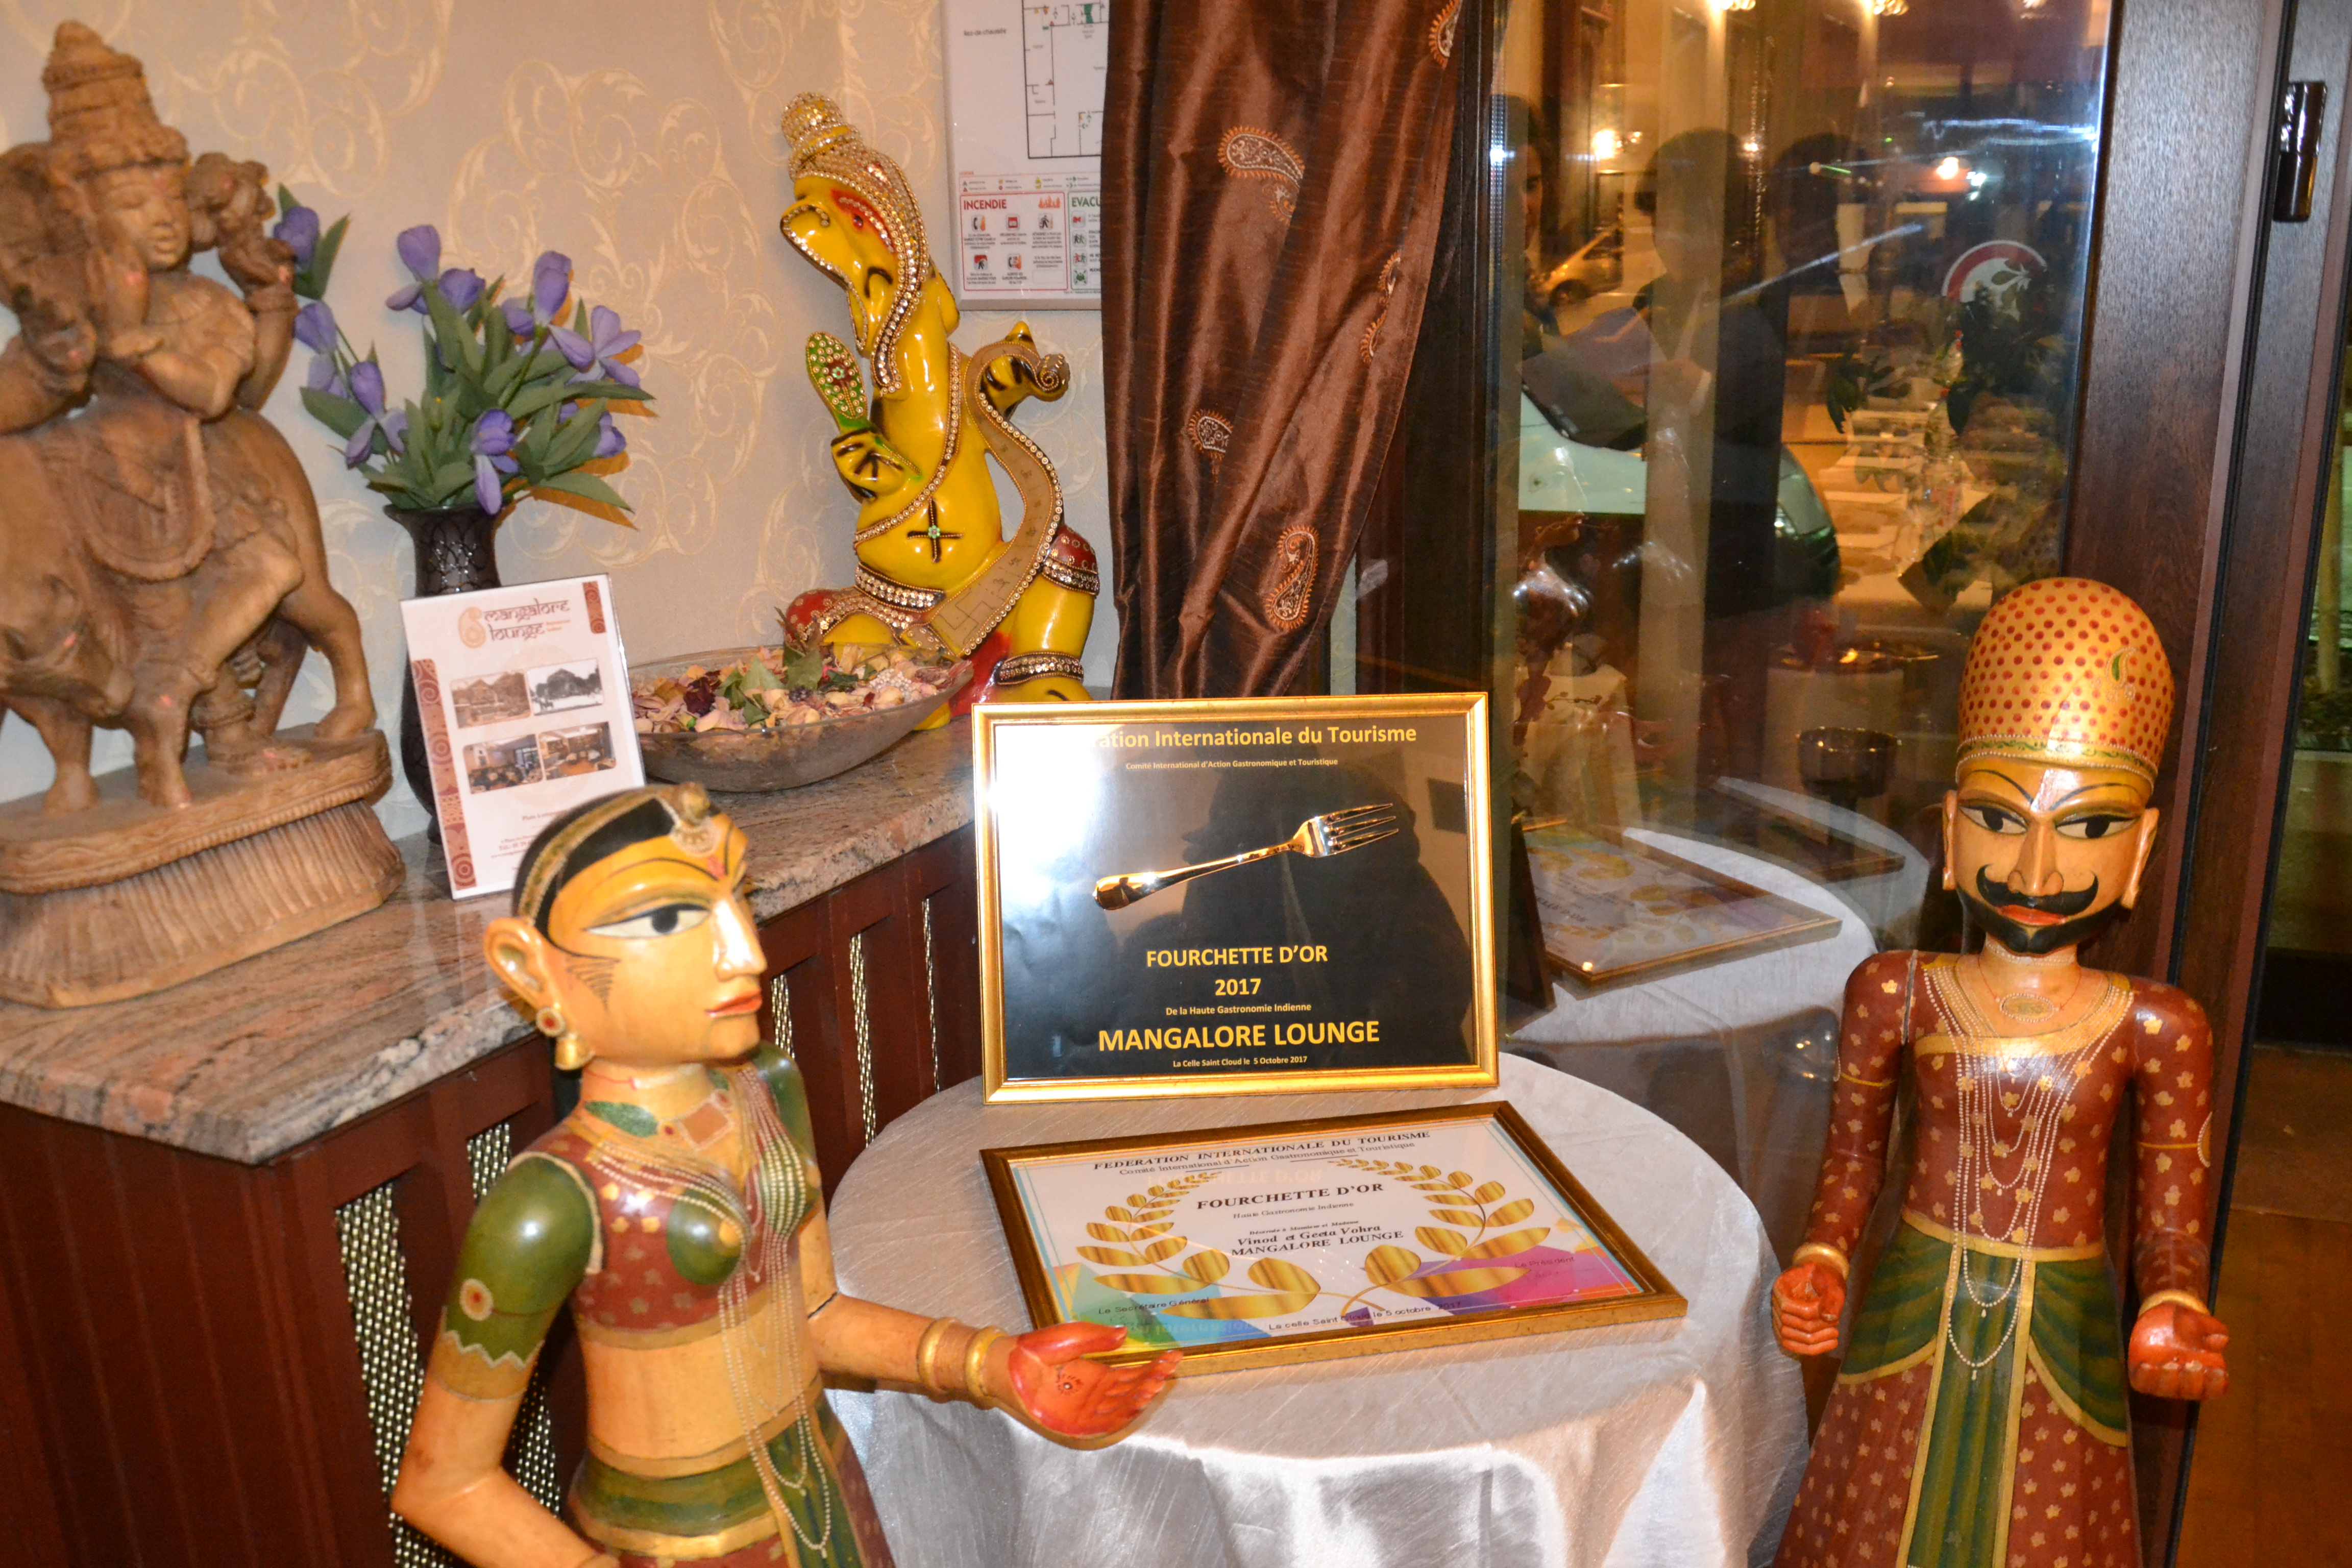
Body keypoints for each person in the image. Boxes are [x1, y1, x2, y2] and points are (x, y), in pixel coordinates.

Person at [393, 783, 1179, 1568]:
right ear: (530, 970)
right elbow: (443, 1483)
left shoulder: (764, 1087)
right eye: (668, 920)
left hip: (825, 1498)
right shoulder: (551, 1200)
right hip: (677, 1546)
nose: (746, 953)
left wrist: (991, 1364)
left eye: (741, 898)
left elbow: (814, 1316)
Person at [1770, 579, 2228, 1568]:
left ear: (2142, 849)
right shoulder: (1895, 990)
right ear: (1950, 831)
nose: (2036, 868)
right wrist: (1824, 1259)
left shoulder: (2159, 1025)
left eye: (2089, 827)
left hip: (2062, 1333)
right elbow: (1853, 1163)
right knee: (1873, 1522)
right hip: (1912, 1308)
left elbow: (2170, 1226)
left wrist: (2173, 1304)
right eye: (1999, 817)